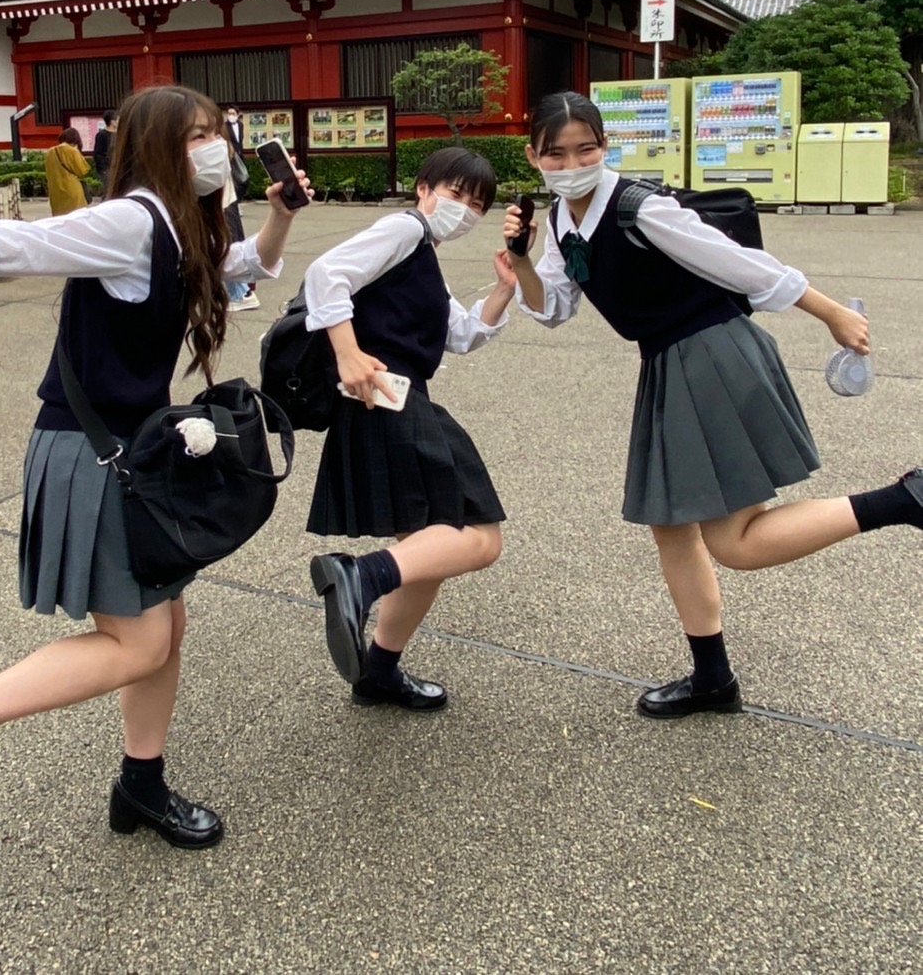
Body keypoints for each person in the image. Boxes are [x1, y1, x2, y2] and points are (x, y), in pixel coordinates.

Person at [0, 85, 311, 852]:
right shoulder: (129, 220)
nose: (216, 149)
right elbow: (19, 245)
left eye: (219, 133)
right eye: (196, 137)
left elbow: (243, 266)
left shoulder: (184, 225)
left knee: (166, 627)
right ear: (154, 148)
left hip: (135, 448)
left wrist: (279, 215)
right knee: (140, 642)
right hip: (92, 453)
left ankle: (140, 786)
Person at [505, 91, 922, 719]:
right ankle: (712, 678)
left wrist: (830, 311)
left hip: (710, 354)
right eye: (556, 153)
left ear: (605, 147)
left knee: (735, 542)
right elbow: (553, 310)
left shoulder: (640, 209)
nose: (572, 162)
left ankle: (904, 499)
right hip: (669, 363)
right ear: (533, 155)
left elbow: (739, 265)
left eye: (585, 148)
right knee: (670, 525)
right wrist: (520, 262)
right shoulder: (564, 224)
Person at [305, 148, 517, 711]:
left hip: (392, 399)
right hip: (386, 397)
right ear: (423, 189)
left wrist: (503, 288)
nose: (465, 209)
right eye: (455, 193)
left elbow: (462, 335)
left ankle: (379, 672)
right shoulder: (403, 230)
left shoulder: (422, 254)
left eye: (477, 203)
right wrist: (348, 354)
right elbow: (326, 274)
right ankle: (359, 577)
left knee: (428, 548)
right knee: (476, 533)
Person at [221, 119, 259, 313]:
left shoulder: (219, 148)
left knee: (226, 248)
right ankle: (239, 292)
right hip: (227, 203)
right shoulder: (225, 145)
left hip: (224, 204)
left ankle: (242, 294)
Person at [44, 127, 89, 216]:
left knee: (60, 217)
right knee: (76, 216)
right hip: (71, 188)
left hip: (55, 191)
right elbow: (82, 170)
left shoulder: (49, 152)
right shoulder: (72, 151)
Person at [93, 111, 118, 187]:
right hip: (108, 169)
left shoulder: (119, 134)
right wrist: (103, 169)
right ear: (112, 121)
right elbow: (98, 153)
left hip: (118, 168)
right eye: (118, 119)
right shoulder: (102, 135)